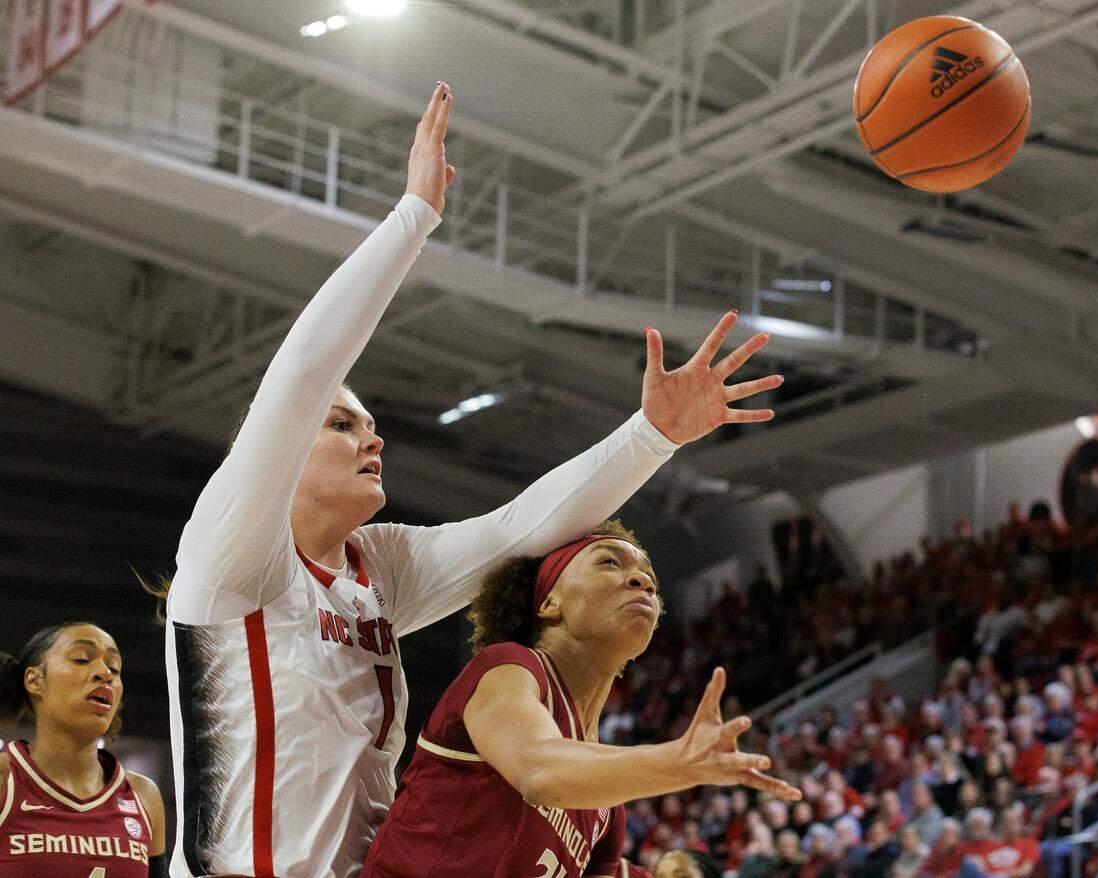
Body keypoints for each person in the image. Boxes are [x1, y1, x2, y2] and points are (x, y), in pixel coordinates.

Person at [161, 82, 784, 877]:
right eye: (343, 424)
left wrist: (653, 434)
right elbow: (301, 376)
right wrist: (413, 217)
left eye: (370, 424)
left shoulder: (374, 572)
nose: (372, 437)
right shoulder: (232, 560)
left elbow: (522, 530)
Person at [361, 522, 799, 876]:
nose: (643, 579)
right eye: (611, 562)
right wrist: (680, 762)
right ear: (550, 602)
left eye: (649, 577)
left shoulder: (605, 804)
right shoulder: (508, 669)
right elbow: (538, 769)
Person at [0, 623, 166, 877]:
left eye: (114, 668)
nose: (105, 673)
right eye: (81, 659)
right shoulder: (5, 779)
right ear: (34, 680)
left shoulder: (143, 795)